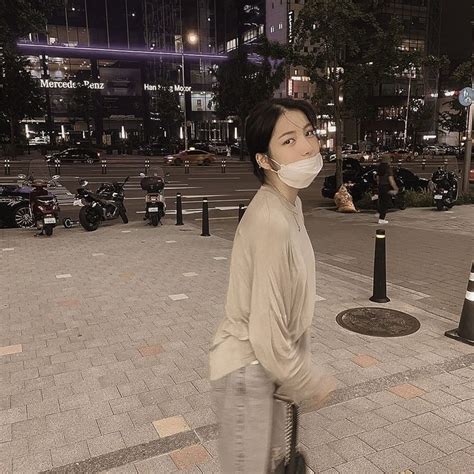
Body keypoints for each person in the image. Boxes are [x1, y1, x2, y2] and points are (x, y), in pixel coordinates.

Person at [209, 98, 336, 473]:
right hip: (250, 371)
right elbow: (266, 330)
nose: (308, 147)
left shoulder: (289, 206)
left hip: (270, 371)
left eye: (309, 133)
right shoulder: (270, 221)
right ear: (264, 160)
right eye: (289, 140)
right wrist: (307, 380)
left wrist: (295, 372)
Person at [376, 155, 399, 224]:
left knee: (382, 201)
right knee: (385, 203)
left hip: (380, 186)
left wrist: (379, 185)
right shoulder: (388, 169)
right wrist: (396, 188)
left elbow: (377, 179)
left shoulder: (379, 168)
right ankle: (381, 218)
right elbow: (391, 180)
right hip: (386, 186)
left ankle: (379, 213)